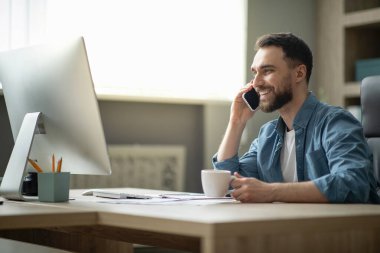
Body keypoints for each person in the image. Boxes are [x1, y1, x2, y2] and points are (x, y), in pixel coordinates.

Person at [212, 32, 380, 203]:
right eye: (255, 73)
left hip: (345, 229)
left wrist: (272, 192)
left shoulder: (336, 123)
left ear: (299, 73)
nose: (256, 83)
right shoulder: (267, 135)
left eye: (267, 71)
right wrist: (236, 122)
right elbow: (228, 184)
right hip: (290, 228)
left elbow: (352, 184)